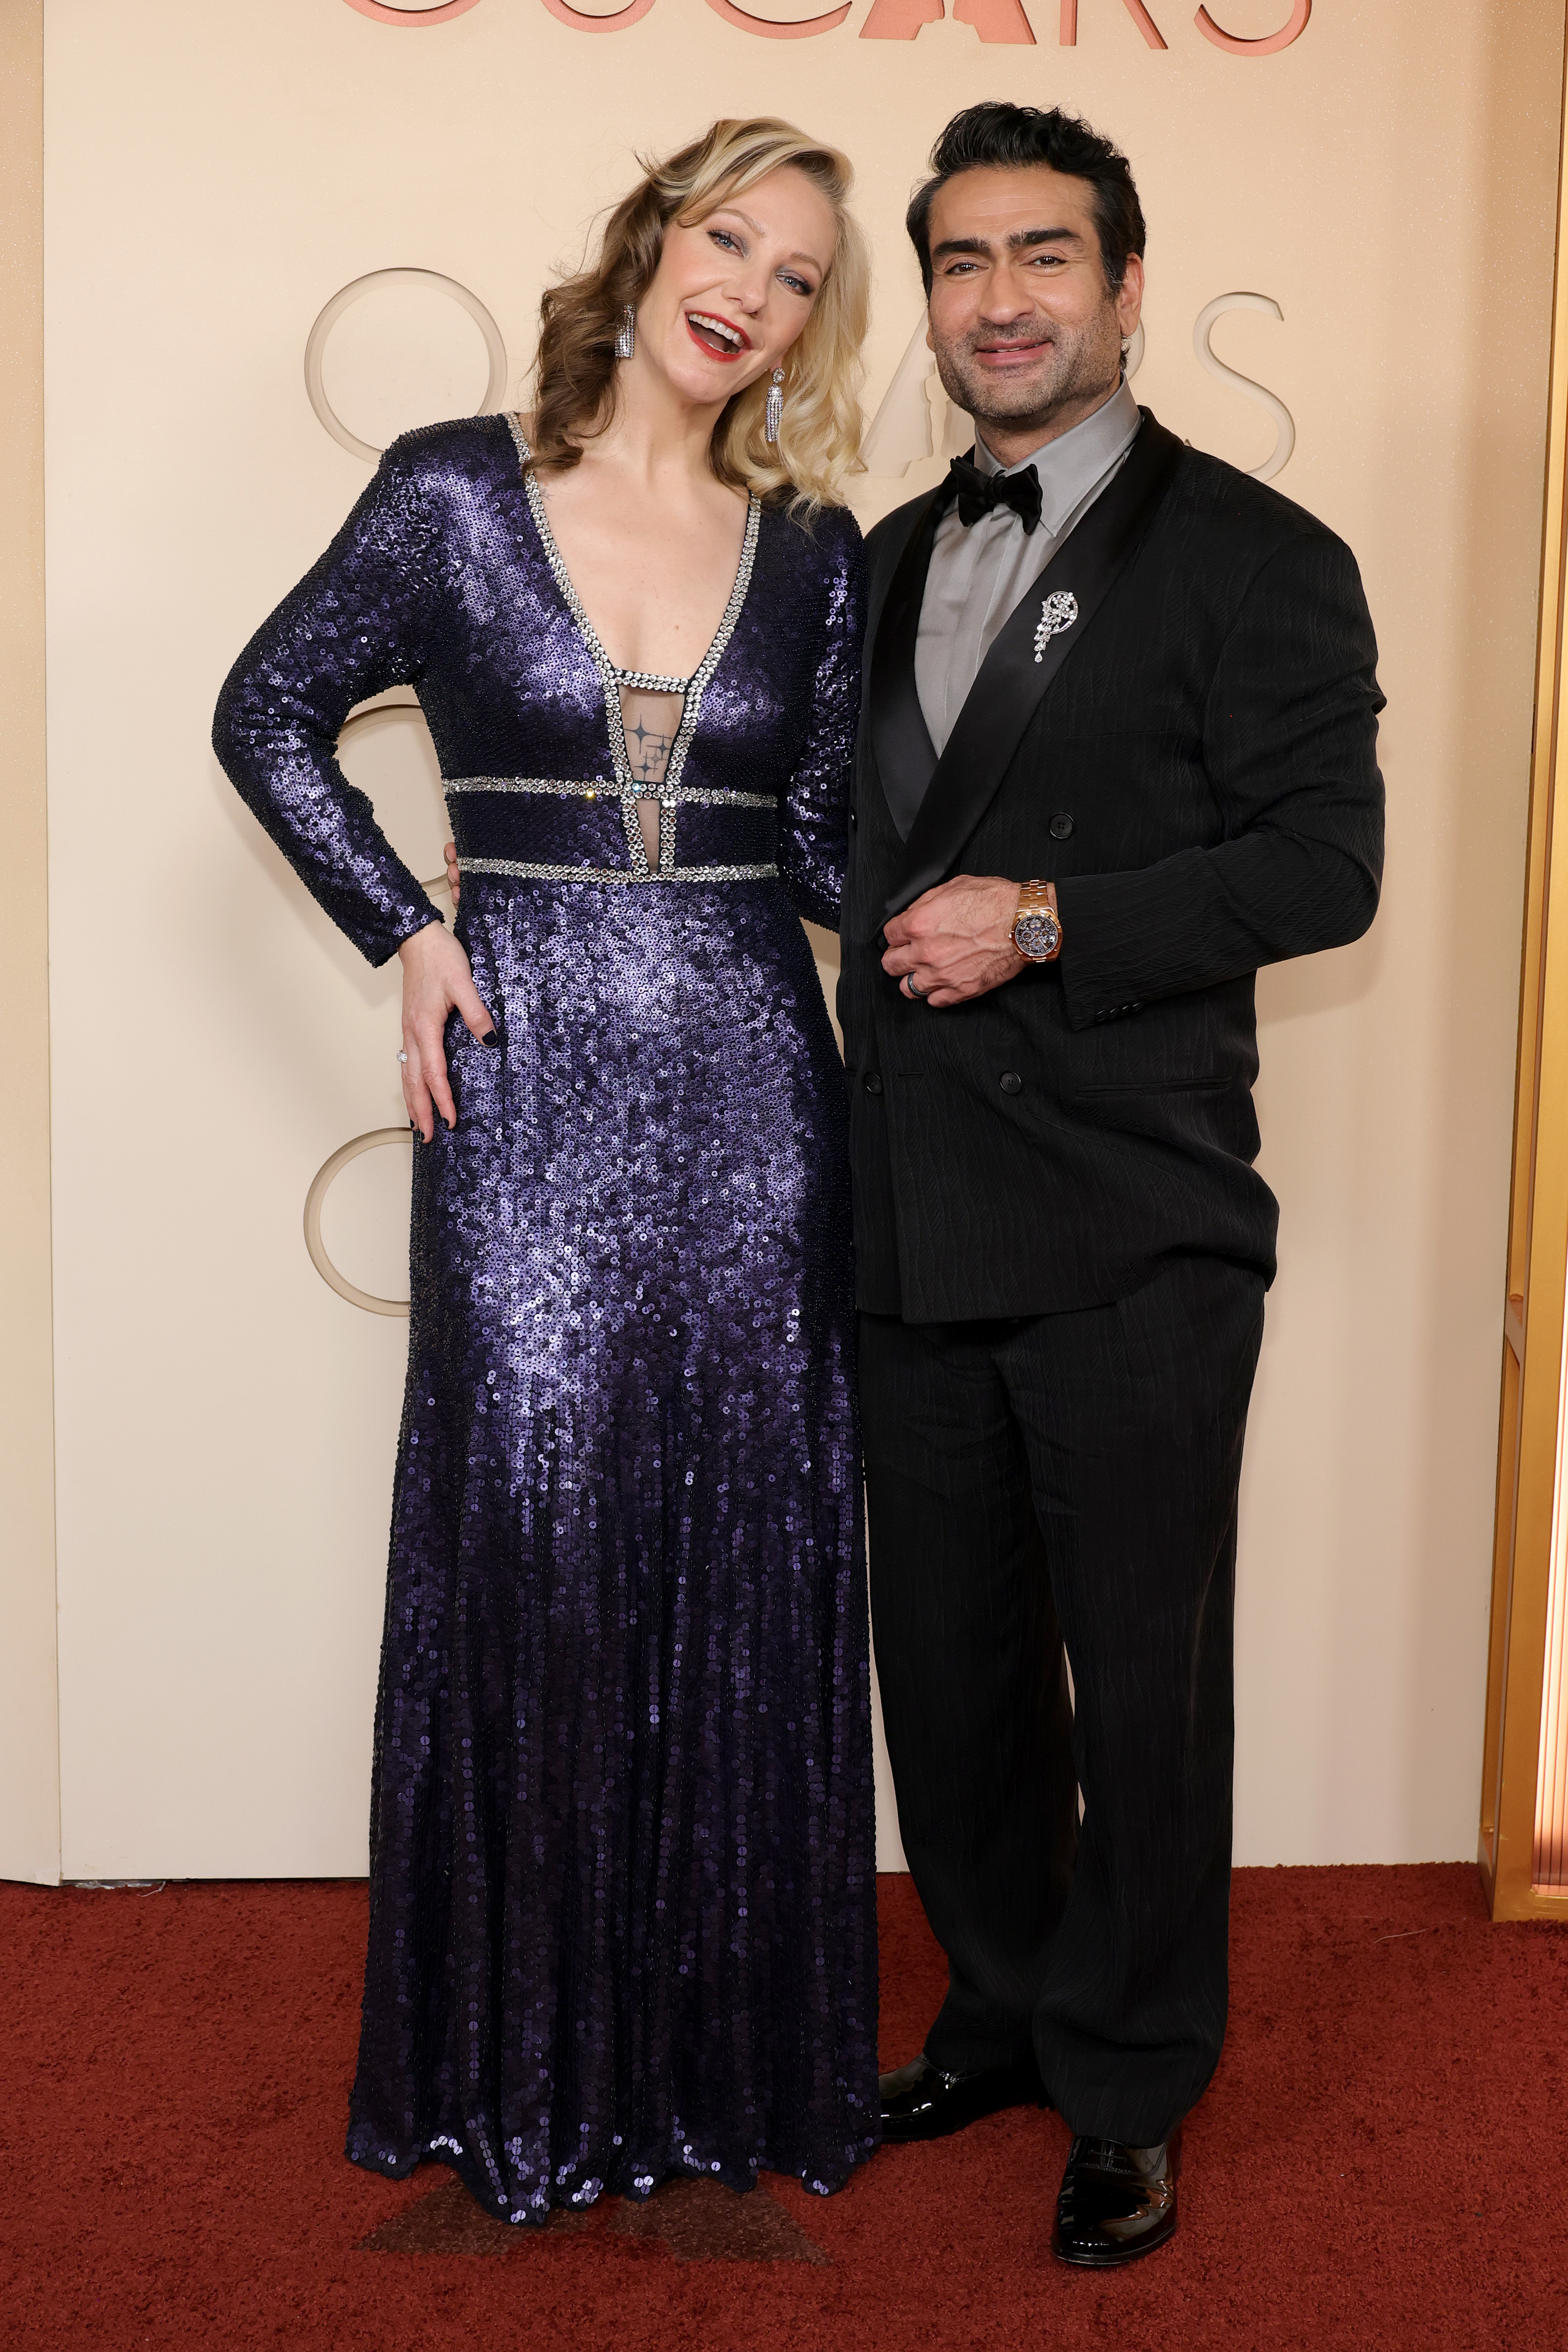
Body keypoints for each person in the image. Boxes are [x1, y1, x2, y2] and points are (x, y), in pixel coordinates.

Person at [212, 118, 879, 2225]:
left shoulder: (824, 548)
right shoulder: (446, 489)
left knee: (749, 1545)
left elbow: (842, 857)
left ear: (806, 329)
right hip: (526, 1094)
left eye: (797, 278)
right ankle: (525, 2072)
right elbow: (267, 710)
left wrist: (1065, 859)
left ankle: (718, 2070)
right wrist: (402, 921)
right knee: (536, 1533)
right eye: (731, 241)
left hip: (762, 1104)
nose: (752, 293)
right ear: (656, 240)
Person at [843, 103, 1384, 2266]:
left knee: (1139, 1679)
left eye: (1044, 256)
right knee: (949, 1666)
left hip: (1138, 1227)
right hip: (904, 1214)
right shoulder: (883, 557)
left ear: (1124, 285)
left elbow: (1320, 868)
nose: (1000, 299)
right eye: (963, 261)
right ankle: (997, 2003)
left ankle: (1136, 2078)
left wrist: (1044, 917)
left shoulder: (1263, 555)